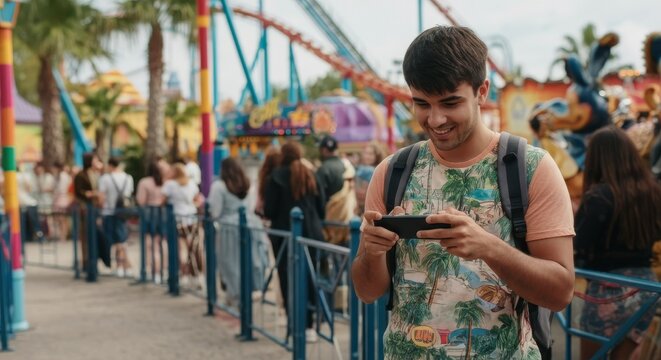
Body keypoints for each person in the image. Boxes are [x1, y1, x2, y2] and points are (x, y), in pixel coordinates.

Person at [351, 26, 575, 359]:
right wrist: (371, 251)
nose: (436, 119)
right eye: (422, 104)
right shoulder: (392, 172)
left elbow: (559, 292)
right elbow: (367, 291)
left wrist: (489, 248)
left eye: (450, 102)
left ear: (481, 91)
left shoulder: (530, 168)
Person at [573, 126, 661, 360]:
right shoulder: (652, 192)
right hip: (646, 287)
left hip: (607, 288)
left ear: (596, 159)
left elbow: (579, 242)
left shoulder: (599, 196)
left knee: (592, 357)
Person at [263, 141, 326, 343]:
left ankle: (294, 323)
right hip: (312, 233)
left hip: (284, 236)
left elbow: (269, 210)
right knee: (311, 277)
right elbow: (321, 208)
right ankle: (311, 325)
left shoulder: (276, 177)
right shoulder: (310, 173)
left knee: (287, 278)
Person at [208, 157, 269, 306]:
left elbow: (215, 211)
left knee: (231, 263)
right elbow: (250, 206)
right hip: (251, 226)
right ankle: (249, 292)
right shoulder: (248, 184)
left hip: (229, 229)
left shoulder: (219, 186)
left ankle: (236, 297)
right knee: (251, 260)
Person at [162, 163, 203, 287]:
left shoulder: (170, 185)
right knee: (193, 248)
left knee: (182, 249)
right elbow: (198, 200)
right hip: (192, 218)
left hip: (178, 219)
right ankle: (195, 276)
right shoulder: (191, 183)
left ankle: (183, 275)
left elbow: (161, 200)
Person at [98, 157, 134, 277]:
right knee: (121, 239)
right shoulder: (128, 178)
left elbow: (102, 197)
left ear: (110, 165)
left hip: (109, 211)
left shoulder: (105, 179)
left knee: (118, 240)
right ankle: (124, 266)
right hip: (123, 212)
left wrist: (99, 212)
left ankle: (122, 265)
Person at [136, 161, 166, 284]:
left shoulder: (145, 182)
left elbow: (141, 200)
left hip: (149, 214)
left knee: (151, 245)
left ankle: (155, 271)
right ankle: (163, 270)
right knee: (161, 243)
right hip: (163, 214)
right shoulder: (165, 182)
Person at [73, 152, 104, 269]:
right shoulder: (81, 175)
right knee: (86, 235)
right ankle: (87, 262)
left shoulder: (96, 174)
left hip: (95, 209)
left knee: (95, 235)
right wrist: (91, 194)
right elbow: (79, 193)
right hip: (86, 210)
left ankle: (94, 260)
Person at [355, 141, 388, 216]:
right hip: (360, 206)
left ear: (377, 156)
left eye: (370, 154)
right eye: (365, 153)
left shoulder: (378, 171)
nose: (367, 156)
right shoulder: (359, 170)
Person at [316, 135, 348, 203]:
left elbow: (321, 197)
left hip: (331, 210)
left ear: (324, 150)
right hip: (346, 210)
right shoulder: (346, 165)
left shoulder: (323, 169)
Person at [52, 162, 73, 241]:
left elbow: (63, 189)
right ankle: (62, 235)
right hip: (58, 199)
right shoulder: (57, 176)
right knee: (60, 219)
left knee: (63, 219)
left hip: (63, 198)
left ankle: (64, 235)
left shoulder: (64, 176)